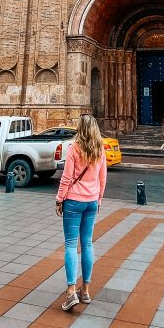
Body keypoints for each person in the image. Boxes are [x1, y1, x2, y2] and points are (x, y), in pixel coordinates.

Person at [55, 114, 107, 312]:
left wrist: (60, 199)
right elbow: (102, 180)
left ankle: (70, 292)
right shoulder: (100, 150)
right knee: (87, 244)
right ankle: (85, 290)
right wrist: (98, 200)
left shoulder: (74, 148)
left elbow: (66, 178)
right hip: (92, 202)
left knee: (70, 244)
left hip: (73, 201)